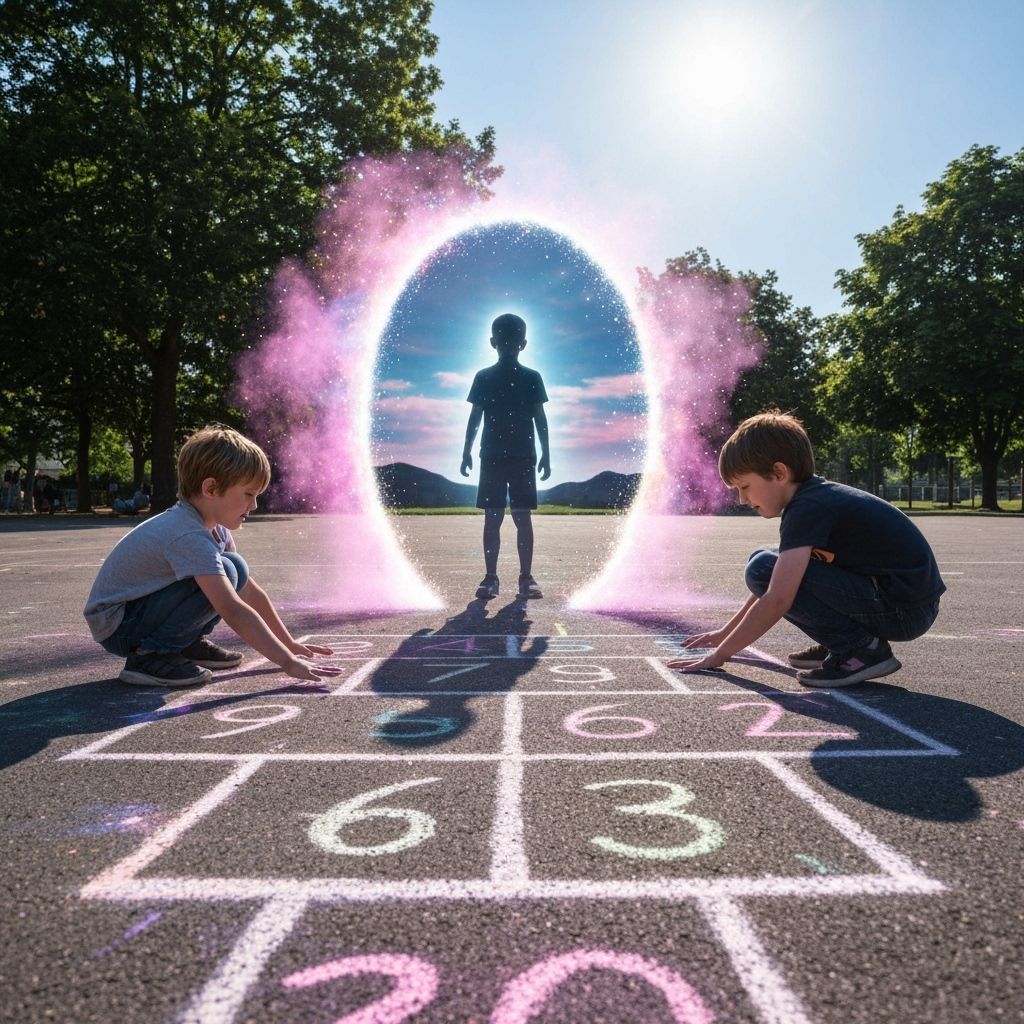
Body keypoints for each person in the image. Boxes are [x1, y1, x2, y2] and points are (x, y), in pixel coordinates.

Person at [669, 410, 945, 687]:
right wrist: (724, 634)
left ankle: (860, 648)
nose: (742, 499)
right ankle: (844, 641)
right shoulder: (813, 497)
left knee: (761, 568)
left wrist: (720, 654)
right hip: (905, 602)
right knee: (765, 559)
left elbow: (778, 596)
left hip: (904, 611)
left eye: (745, 486)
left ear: (779, 473)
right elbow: (777, 579)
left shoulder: (808, 507)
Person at [84, 424, 343, 688]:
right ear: (210, 489)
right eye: (249, 494)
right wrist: (287, 662)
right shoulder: (188, 534)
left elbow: (250, 593)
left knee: (235, 568)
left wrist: (289, 644)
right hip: (120, 626)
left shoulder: (215, 529)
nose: (254, 505)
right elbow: (232, 608)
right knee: (226, 573)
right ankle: (150, 656)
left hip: (138, 614)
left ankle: (185, 644)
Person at [460, 313, 551, 600]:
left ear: (522, 344)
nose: (508, 348)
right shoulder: (484, 377)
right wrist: (466, 451)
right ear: (493, 343)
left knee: (522, 516)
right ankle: (491, 577)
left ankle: (526, 577)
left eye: (512, 344)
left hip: (523, 457)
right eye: (504, 344)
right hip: (492, 456)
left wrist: (546, 454)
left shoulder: (532, 378)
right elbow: (475, 416)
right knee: (493, 517)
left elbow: (540, 418)